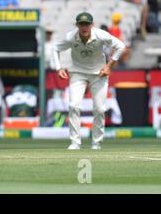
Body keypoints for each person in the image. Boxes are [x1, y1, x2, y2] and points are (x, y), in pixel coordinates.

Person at [53, 12, 125, 150]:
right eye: (81, 24)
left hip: (99, 73)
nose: (84, 27)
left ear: (92, 24)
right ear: (77, 25)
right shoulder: (71, 37)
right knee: (74, 105)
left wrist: (109, 66)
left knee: (99, 108)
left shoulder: (100, 35)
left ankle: (96, 142)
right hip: (77, 73)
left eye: (87, 24)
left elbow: (120, 46)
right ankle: (75, 142)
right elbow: (56, 48)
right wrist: (58, 68)